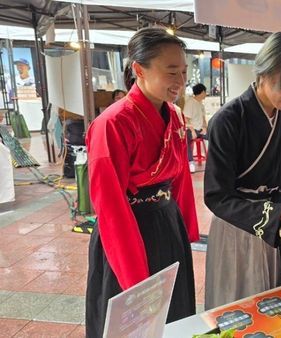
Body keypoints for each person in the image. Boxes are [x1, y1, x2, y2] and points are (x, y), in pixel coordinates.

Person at [85, 27, 198, 337]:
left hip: (166, 221)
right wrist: (136, 279)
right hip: (128, 228)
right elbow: (110, 206)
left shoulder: (174, 116)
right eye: (172, 71)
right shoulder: (112, 123)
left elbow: (181, 178)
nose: (180, 80)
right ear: (138, 70)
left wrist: (186, 227)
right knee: (133, 317)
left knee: (172, 313)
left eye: (184, 71)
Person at [203, 31, 281, 310]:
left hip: (278, 225)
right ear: (264, 72)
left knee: (274, 303)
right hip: (237, 226)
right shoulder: (228, 121)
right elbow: (216, 197)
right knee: (239, 304)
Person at [183, 83, 208, 173]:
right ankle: (191, 163)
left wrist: (205, 128)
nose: (206, 94)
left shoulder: (201, 104)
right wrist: (192, 130)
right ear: (201, 92)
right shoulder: (190, 103)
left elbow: (204, 119)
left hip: (201, 130)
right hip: (191, 129)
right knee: (186, 140)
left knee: (215, 136)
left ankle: (214, 161)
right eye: (205, 92)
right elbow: (186, 119)